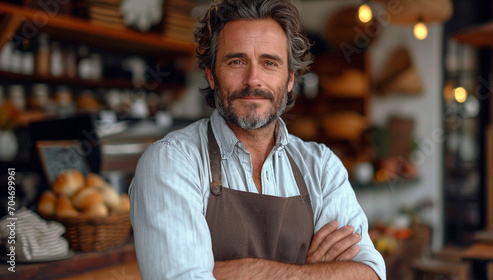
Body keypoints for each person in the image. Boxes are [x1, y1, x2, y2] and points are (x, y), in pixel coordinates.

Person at [129, 0, 386, 279]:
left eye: (269, 62)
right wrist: (312, 272)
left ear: (289, 80)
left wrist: (245, 271)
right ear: (212, 76)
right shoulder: (171, 162)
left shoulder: (322, 168)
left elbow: (370, 273)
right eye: (236, 61)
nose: (253, 79)